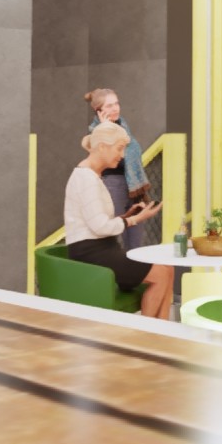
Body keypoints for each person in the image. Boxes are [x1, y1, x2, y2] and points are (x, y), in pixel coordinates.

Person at [66, 121, 170, 318]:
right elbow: (100, 227)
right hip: (92, 253)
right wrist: (134, 220)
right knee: (161, 274)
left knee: (168, 269)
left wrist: (127, 215)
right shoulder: (87, 179)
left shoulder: (91, 176)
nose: (122, 156)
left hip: (103, 248)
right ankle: (146, 332)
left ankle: (164, 330)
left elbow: (96, 221)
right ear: (102, 147)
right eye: (119, 148)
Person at [85, 88, 152, 250]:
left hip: (134, 187)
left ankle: (133, 266)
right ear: (98, 110)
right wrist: (104, 128)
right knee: (112, 236)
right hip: (113, 184)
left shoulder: (123, 126)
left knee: (135, 241)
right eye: (109, 106)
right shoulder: (95, 133)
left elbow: (131, 153)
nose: (115, 108)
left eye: (116, 104)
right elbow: (107, 159)